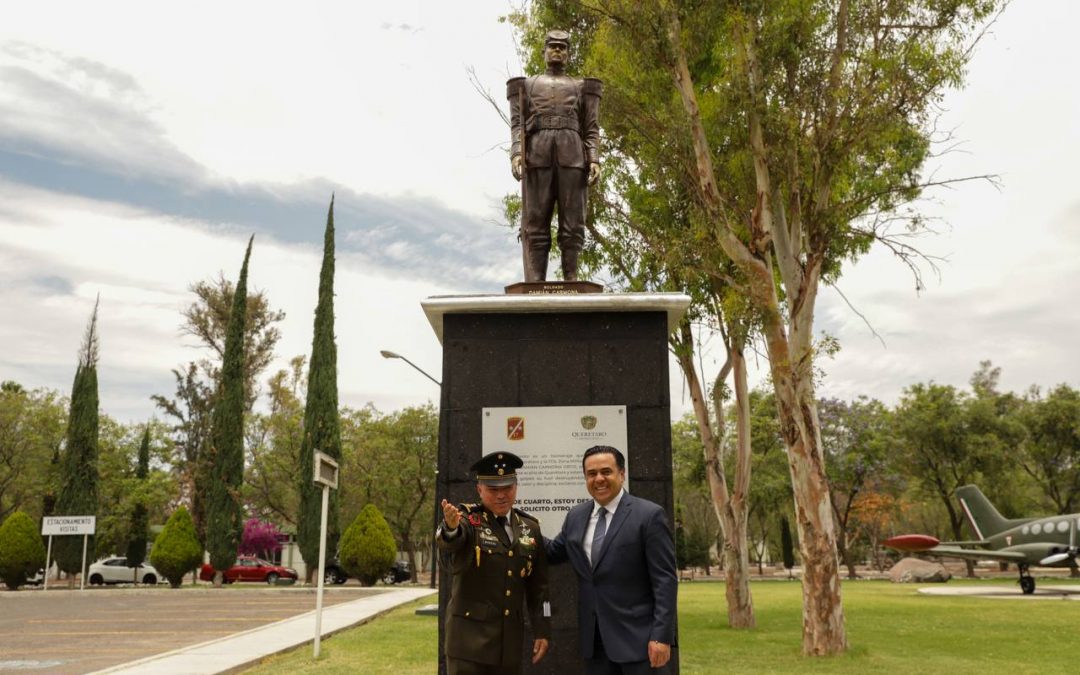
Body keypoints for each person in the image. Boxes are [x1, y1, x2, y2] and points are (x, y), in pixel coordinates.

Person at [546, 445, 677, 674]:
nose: (599, 479)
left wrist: (661, 636)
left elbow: (665, 581)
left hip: (641, 642)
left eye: (606, 472)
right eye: (591, 474)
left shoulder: (648, 515)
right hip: (595, 644)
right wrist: (514, 524)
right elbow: (552, 552)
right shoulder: (576, 516)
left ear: (622, 474)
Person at [437, 451, 551, 675]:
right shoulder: (468, 519)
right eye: (493, 490)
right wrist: (450, 529)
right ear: (479, 490)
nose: (501, 496)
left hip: (509, 644)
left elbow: (539, 588)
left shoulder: (529, 527)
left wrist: (542, 630)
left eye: (507, 488)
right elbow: (452, 543)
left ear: (516, 487)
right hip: (468, 644)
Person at [507, 29, 602, 283]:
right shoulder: (525, 86)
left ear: (568, 54)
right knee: (535, 224)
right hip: (537, 155)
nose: (557, 50)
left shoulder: (583, 87)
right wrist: (517, 153)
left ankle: (572, 279)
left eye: (562, 47)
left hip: (572, 156)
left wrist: (593, 157)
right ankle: (535, 283)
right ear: (544, 51)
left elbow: (591, 127)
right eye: (553, 46)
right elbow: (517, 124)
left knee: (573, 223)